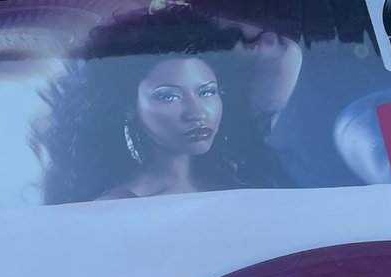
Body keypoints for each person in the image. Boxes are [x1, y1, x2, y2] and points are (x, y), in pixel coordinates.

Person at [37, 3, 300, 202]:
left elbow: (286, 54)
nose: (197, 112)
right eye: (168, 96)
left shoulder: (235, 171)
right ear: (128, 107)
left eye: (207, 92)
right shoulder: (118, 207)